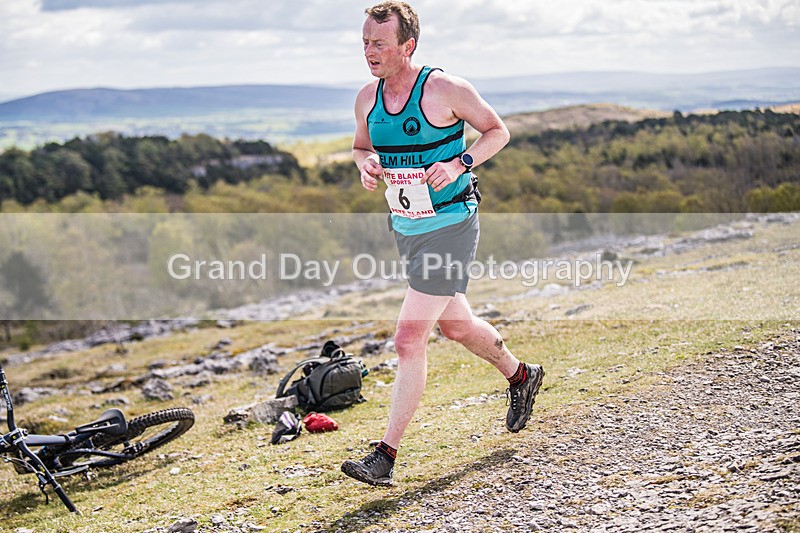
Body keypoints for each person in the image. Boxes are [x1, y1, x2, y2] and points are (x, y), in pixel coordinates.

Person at [341, 1, 545, 487]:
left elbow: (499, 131)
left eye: (379, 44)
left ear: (407, 46)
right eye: (365, 43)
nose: (369, 52)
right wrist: (365, 164)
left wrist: (460, 164)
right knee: (456, 327)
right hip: (406, 227)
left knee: (409, 337)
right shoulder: (367, 97)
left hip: (452, 224)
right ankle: (521, 376)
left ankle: (385, 456)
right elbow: (360, 145)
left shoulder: (445, 88)